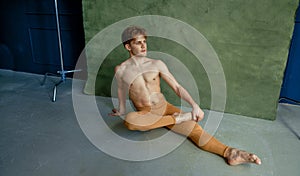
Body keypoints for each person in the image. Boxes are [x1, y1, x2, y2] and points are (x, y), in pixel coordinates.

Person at [109, 25, 261, 166]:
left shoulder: (157, 64)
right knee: (130, 121)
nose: (143, 46)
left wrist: (194, 105)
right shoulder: (120, 70)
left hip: (163, 108)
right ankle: (177, 118)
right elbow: (122, 90)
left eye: (144, 42)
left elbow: (177, 87)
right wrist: (121, 109)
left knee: (194, 129)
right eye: (138, 43)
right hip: (145, 112)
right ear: (128, 46)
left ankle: (231, 152)